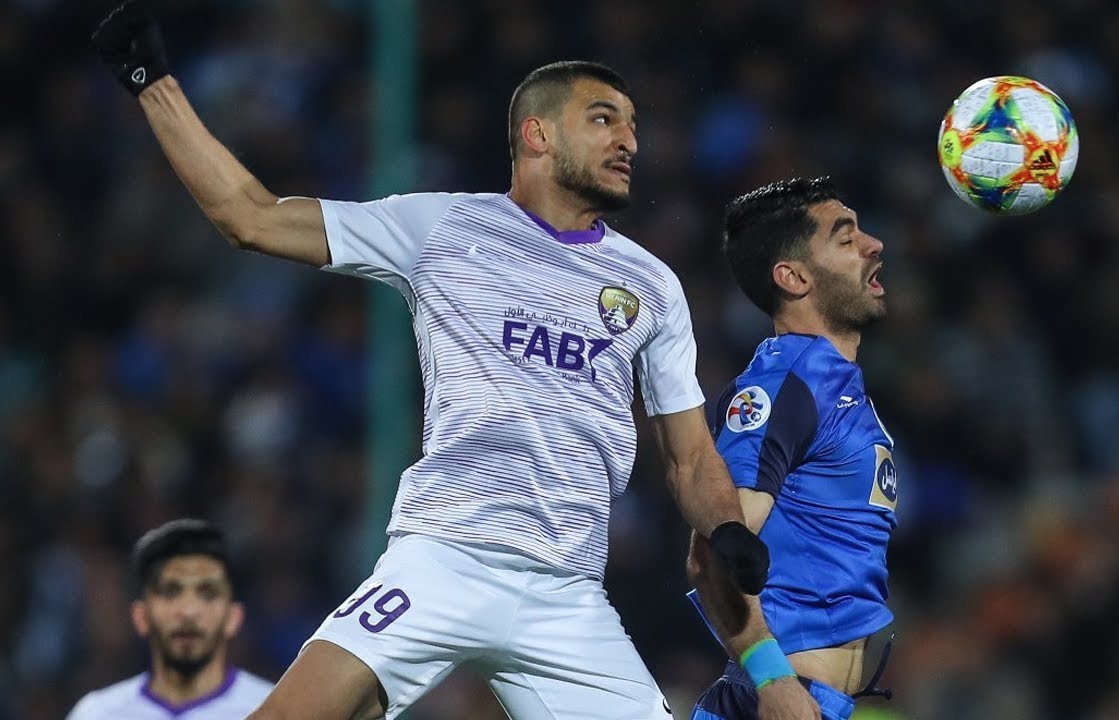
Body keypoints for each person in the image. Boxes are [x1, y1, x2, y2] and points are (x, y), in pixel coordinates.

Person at [91, 3, 776, 719]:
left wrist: (726, 527)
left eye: (634, 124)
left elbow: (691, 460)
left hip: (569, 594)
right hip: (445, 557)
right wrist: (153, 83)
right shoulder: (442, 227)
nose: (630, 139)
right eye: (605, 119)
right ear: (537, 134)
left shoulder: (652, 285)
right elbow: (251, 217)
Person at [686, 177, 898, 720]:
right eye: (846, 239)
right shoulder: (785, 386)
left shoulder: (829, 383)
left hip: (815, 699)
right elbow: (712, 551)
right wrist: (771, 678)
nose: (874, 245)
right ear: (794, 277)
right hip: (782, 699)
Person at [67, 519, 274, 719]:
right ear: (141, 617)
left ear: (233, 618)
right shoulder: (96, 714)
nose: (188, 611)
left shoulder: (274, 710)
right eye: (170, 592)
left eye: (208, 593)